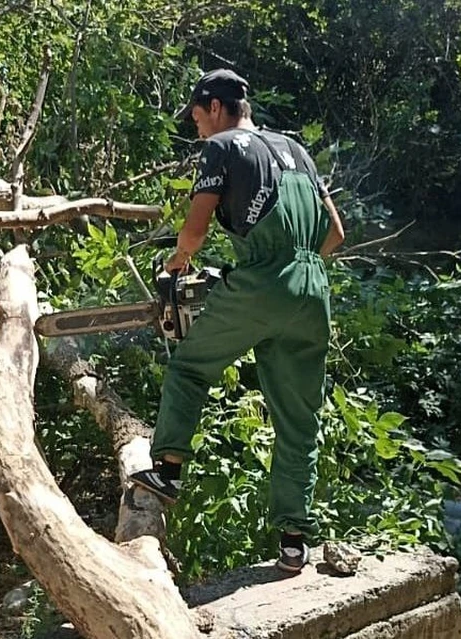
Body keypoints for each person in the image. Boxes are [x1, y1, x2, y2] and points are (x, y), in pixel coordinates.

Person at [130, 69, 345, 572]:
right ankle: (294, 541)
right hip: (314, 291)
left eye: (199, 117)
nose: (198, 128)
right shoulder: (296, 150)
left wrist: (177, 264)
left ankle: (168, 470)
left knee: (189, 367)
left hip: (263, 282)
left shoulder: (224, 147)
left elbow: (197, 227)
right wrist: (293, 269)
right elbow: (334, 233)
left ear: (217, 106)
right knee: (298, 420)